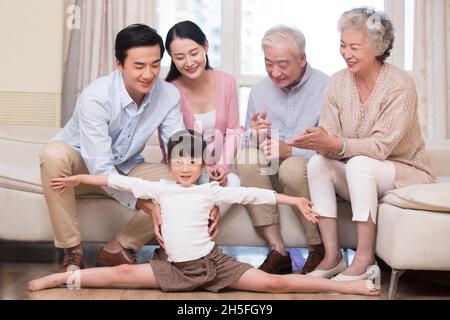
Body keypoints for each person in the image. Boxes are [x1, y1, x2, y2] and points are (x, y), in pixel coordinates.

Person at [28, 130, 379, 297]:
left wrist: (296, 202)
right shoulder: (160, 188)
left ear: (200, 165)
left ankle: (349, 289)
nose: (184, 167)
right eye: (178, 161)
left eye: (191, 162)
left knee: (274, 284)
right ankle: (60, 278)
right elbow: (113, 179)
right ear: (171, 163)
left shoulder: (209, 190)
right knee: (119, 272)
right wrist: (79, 177)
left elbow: (254, 193)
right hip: (173, 269)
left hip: (214, 267)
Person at [39, 24, 219, 272]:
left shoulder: (168, 95)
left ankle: (119, 249)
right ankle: (72, 251)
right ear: (119, 64)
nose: (149, 74)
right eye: (139, 66)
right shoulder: (96, 98)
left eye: (155, 64)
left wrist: (206, 192)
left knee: (183, 180)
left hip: (128, 166)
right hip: (82, 169)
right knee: (53, 154)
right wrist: (142, 201)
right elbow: (100, 167)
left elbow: (181, 150)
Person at [290, 7, 436, 282]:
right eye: (343, 45)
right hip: (362, 172)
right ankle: (332, 256)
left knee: (359, 164)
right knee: (319, 164)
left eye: (354, 47)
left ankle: (365, 259)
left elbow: (381, 147)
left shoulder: (400, 85)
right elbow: (330, 138)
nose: (346, 53)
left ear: (378, 47)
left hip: (403, 171)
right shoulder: (337, 82)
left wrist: (335, 143)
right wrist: (317, 141)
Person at [236, 25, 329, 275]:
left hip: (306, 175)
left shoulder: (326, 88)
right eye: (268, 63)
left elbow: (332, 149)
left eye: (283, 64)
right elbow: (243, 146)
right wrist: (253, 135)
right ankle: (278, 251)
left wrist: (292, 151)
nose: (274, 72)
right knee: (246, 158)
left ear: (302, 59)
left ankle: (317, 249)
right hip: (269, 175)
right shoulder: (259, 91)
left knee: (292, 166)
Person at [162, 20, 242, 217]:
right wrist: (201, 168)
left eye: (194, 53)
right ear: (172, 58)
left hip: (218, 169)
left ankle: (200, 235)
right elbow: (172, 143)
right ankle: (197, 238)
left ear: (205, 46)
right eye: (179, 57)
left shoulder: (227, 82)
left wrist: (222, 167)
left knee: (233, 183)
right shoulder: (169, 91)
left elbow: (233, 131)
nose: (188, 63)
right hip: (185, 167)